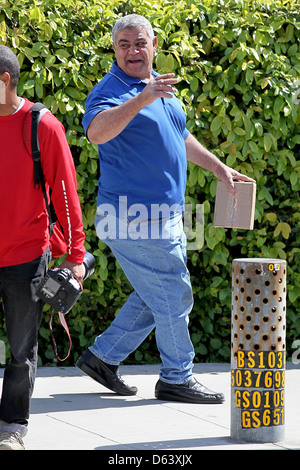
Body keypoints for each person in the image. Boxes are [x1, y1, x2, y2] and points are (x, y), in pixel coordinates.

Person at [76, 14, 255, 403]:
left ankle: (102, 357)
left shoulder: (159, 89)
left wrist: (219, 168)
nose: (132, 51)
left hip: (162, 216)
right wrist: (142, 98)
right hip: (131, 216)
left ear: (154, 45)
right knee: (174, 294)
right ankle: (177, 376)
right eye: (124, 44)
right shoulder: (113, 90)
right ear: (114, 50)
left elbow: (181, 135)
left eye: (139, 43)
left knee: (154, 291)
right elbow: (96, 132)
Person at [0, 45, 86, 450]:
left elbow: (66, 193)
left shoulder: (42, 126)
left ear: (4, 82)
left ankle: (12, 426)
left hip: (26, 255)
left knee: (21, 347)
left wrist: (75, 254)